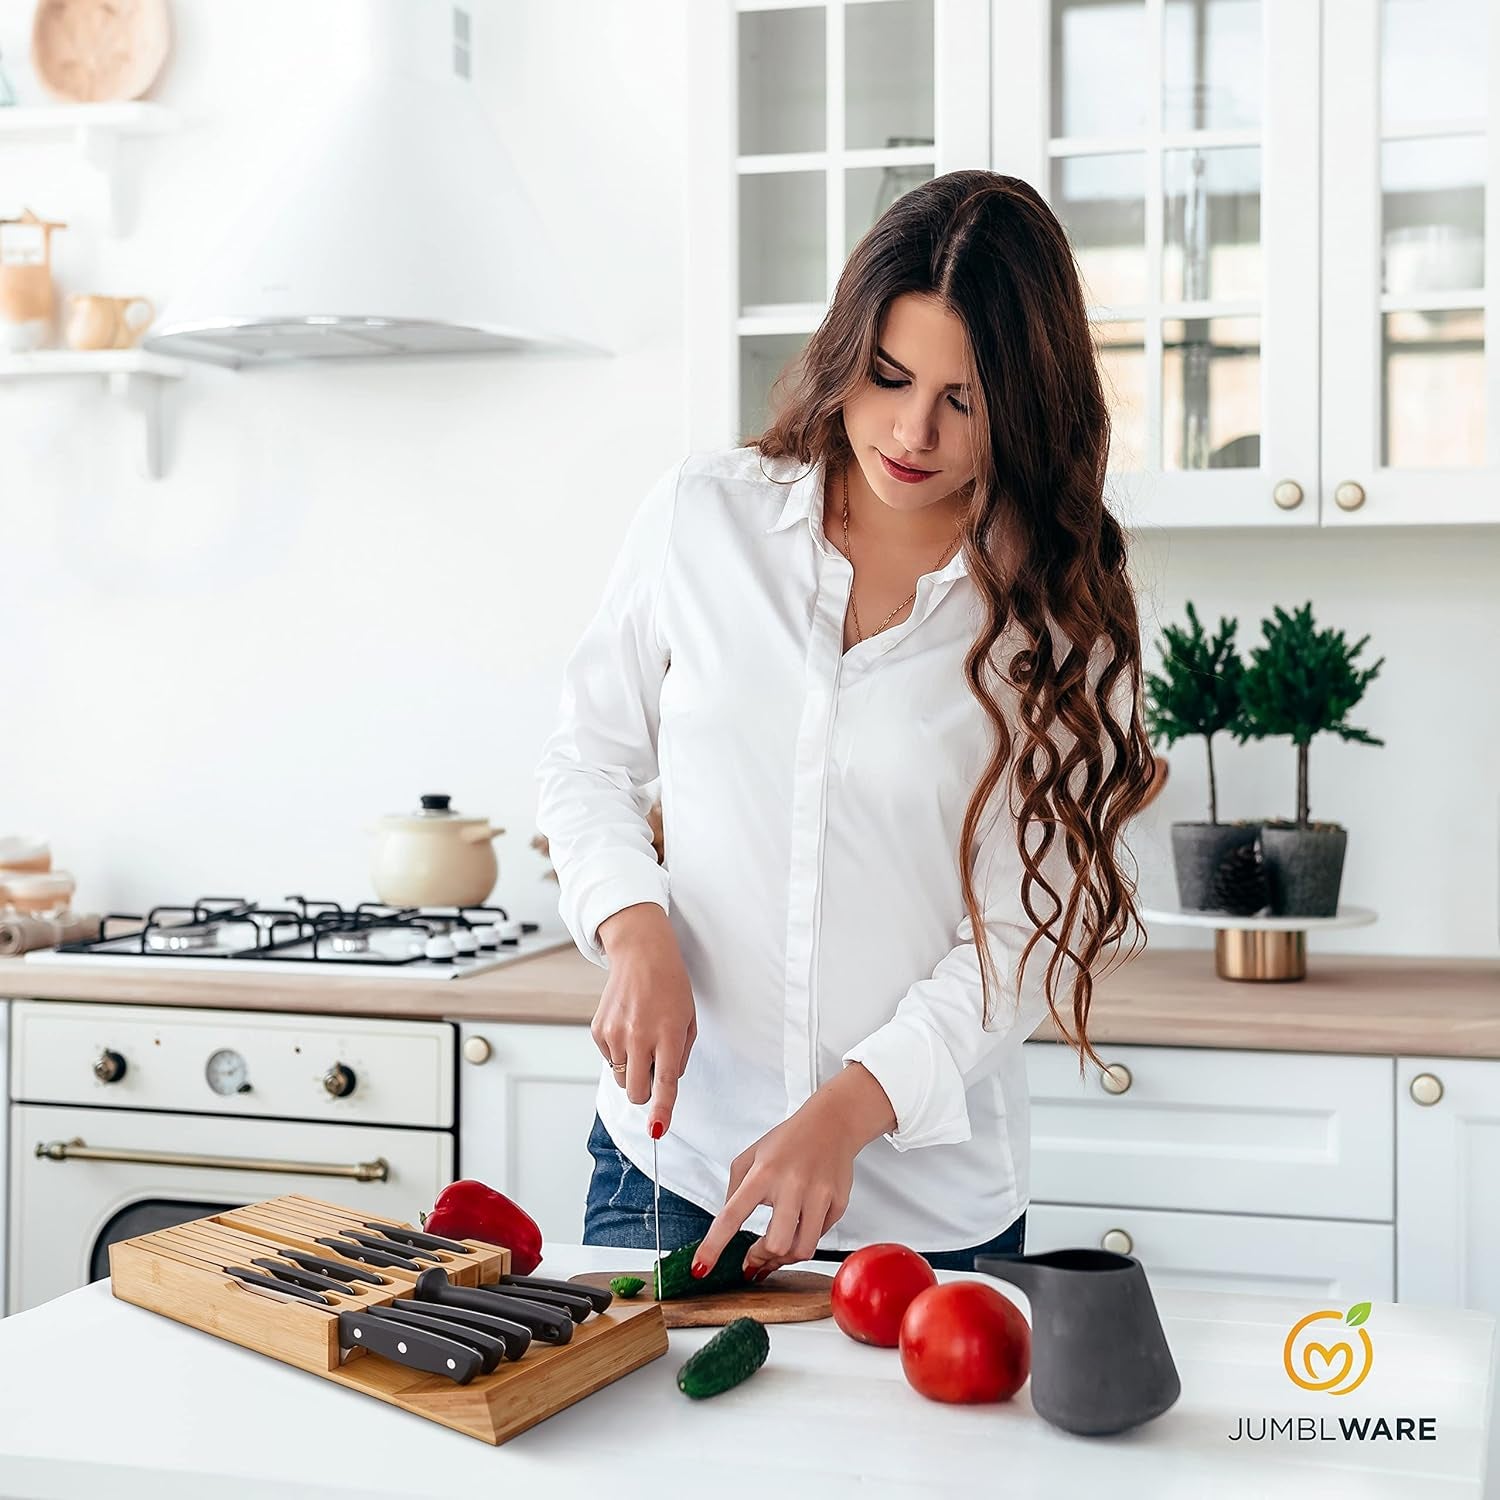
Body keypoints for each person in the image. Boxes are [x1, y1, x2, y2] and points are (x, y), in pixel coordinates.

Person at [533, 170, 1157, 1280]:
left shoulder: (1061, 617)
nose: (914, 430)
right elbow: (588, 761)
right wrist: (633, 928)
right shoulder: (704, 519)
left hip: (920, 1219)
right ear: (845, 352)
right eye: (890, 377)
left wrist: (848, 1109)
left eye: (965, 400)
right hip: (671, 1172)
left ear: (1026, 404)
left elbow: (1019, 937)